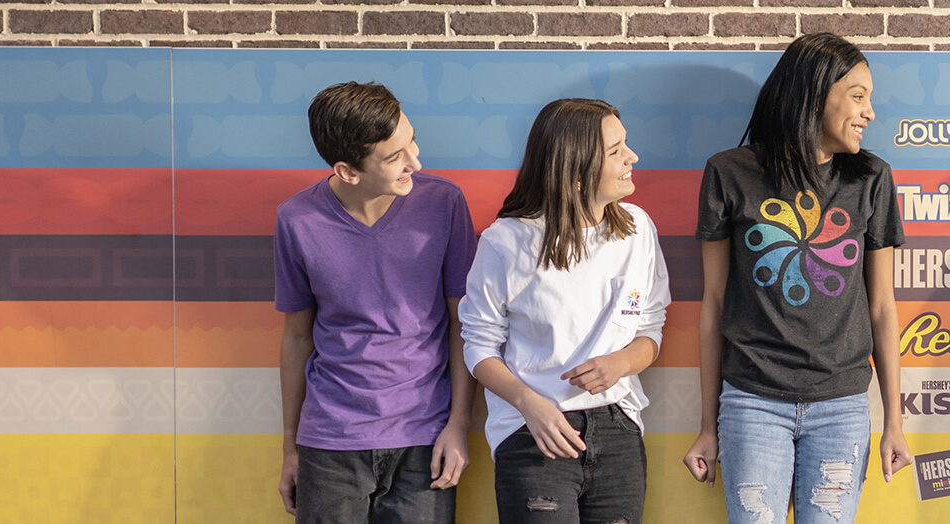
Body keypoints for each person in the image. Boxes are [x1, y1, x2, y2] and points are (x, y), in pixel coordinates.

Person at [680, 32, 913, 524]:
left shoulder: (872, 179)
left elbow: (883, 307)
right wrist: (707, 426)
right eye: (858, 96)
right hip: (751, 403)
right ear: (815, 94)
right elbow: (714, 305)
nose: (870, 112)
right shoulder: (728, 173)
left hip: (842, 406)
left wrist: (894, 420)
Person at [458, 98, 671, 524]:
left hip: (618, 431)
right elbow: (479, 347)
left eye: (625, 145)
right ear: (575, 175)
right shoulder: (505, 242)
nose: (633, 158)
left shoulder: (638, 229)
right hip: (533, 432)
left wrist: (620, 363)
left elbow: (650, 325)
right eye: (616, 152)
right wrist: (528, 405)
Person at [274, 81, 476, 523]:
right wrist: (290, 446)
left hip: (424, 437)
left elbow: (465, 326)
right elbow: (296, 337)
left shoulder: (444, 203)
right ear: (348, 171)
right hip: (329, 441)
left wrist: (458, 425)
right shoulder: (296, 220)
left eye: (412, 141)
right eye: (394, 157)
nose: (415, 162)